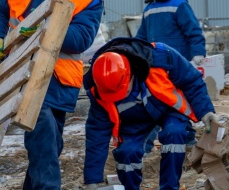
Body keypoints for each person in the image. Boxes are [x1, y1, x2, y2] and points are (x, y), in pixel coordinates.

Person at [0, 0, 104, 190]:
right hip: (22, 73)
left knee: (50, 145)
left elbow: (81, 39)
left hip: (60, 80)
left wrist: (43, 26)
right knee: (45, 134)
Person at [83, 37, 218, 190]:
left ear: (130, 73)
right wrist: (92, 180)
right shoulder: (99, 92)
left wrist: (206, 111)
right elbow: (97, 137)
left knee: (175, 133)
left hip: (168, 108)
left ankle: (169, 187)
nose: (117, 96)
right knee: (127, 152)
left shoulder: (160, 57)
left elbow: (191, 80)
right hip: (133, 120)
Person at [136, 0, 206, 152]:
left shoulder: (179, 4)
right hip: (155, 68)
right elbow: (141, 38)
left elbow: (194, 32)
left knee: (173, 102)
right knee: (166, 104)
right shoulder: (148, 9)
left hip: (177, 66)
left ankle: (181, 141)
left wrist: (197, 55)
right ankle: (186, 139)